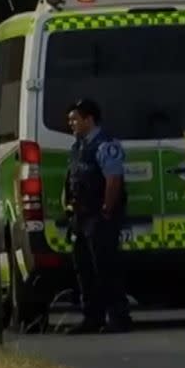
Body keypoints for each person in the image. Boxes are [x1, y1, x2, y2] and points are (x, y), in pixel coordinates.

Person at [64, 98, 132, 334]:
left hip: (99, 217)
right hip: (81, 218)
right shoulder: (78, 146)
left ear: (89, 119)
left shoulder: (105, 146)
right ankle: (92, 317)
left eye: (75, 119)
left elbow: (113, 180)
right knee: (85, 269)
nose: (70, 123)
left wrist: (106, 209)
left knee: (106, 268)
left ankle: (118, 317)